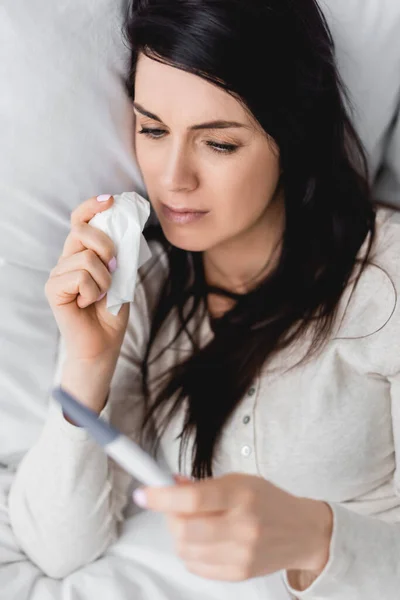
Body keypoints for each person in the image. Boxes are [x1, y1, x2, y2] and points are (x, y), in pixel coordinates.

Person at [8, 0, 400, 596]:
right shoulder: (145, 287)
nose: (172, 178)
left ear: (290, 135)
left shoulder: (384, 284)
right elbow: (56, 550)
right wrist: (87, 362)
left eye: (218, 144)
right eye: (154, 130)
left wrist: (314, 539)